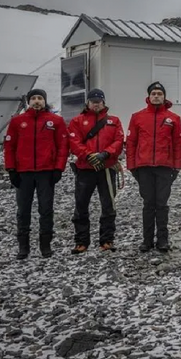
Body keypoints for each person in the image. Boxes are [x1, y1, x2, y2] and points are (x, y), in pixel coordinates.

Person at [4, 88, 68, 259]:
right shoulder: (17, 121)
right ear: (28, 101)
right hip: (23, 173)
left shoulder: (56, 121)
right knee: (23, 210)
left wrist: (58, 168)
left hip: (46, 173)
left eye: (40, 98)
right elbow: (9, 147)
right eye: (34, 98)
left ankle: (45, 245)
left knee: (46, 209)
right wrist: (11, 169)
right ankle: (23, 247)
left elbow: (63, 146)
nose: (37, 101)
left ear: (45, 101)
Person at [127, 82, 181, 252]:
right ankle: (147, 240)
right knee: (148, 203)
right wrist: (132, 166)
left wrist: (177, 166)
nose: (157, 96)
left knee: (162, 204)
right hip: (143, 167)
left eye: (160, 93)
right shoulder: (137, 117)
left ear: (164, 96)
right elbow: (131, 143)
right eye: (154, 93)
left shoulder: (173, 118)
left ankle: (163, 240)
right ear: (149, 97)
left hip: (164, 167)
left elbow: (178, 144)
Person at [66, 89, 124, 253]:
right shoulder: (77, 121)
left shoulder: (114, 121)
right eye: (93, 101)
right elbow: (74, 142)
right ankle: (81, 241)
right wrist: (89, 156)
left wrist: (105, 154)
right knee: (81, 205)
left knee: (108, 205)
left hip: (106, 168)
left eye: (99, 101)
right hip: (85, 169)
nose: (96, 103)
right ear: (88, 103)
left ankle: (107, 240)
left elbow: (119, 141)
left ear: (103, 102)